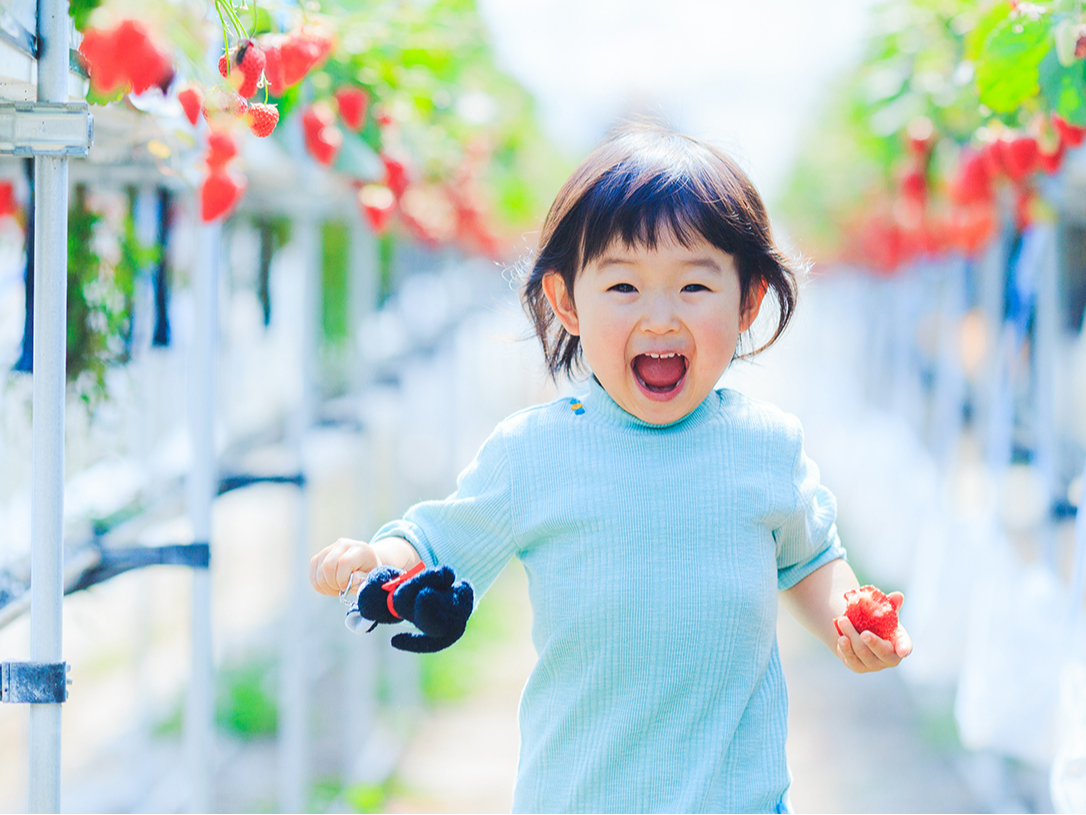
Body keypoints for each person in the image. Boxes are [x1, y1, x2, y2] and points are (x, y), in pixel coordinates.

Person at [310, 123, 913, 813]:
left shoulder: (765, 446)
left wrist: (851, 618)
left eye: (694, 286)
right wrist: (375, 558)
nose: (660, 316)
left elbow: (811, 559)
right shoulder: (535, 453)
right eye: (624, 285)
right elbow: (433, 541)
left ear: (747, 300)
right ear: (567, 302)